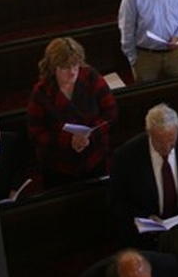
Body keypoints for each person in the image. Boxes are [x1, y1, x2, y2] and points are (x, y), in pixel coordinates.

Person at [27, 36, 117, 188]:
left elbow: (111, 112)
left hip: (94, 157)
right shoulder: (41, 92)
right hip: (58, 165)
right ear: (52, 67)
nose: (72, 72)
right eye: (65, 67)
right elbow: (36, 133)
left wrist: (91, 134)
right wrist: (69, 140)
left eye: (75, 65)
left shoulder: (91, 77)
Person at [109, 103, 178, 251]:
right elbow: (116, 202)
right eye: (160, 143)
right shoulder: (126, 156)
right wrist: (145, 218)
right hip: (145, 239)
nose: (166, 149)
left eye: (171, 142)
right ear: (148, 132)